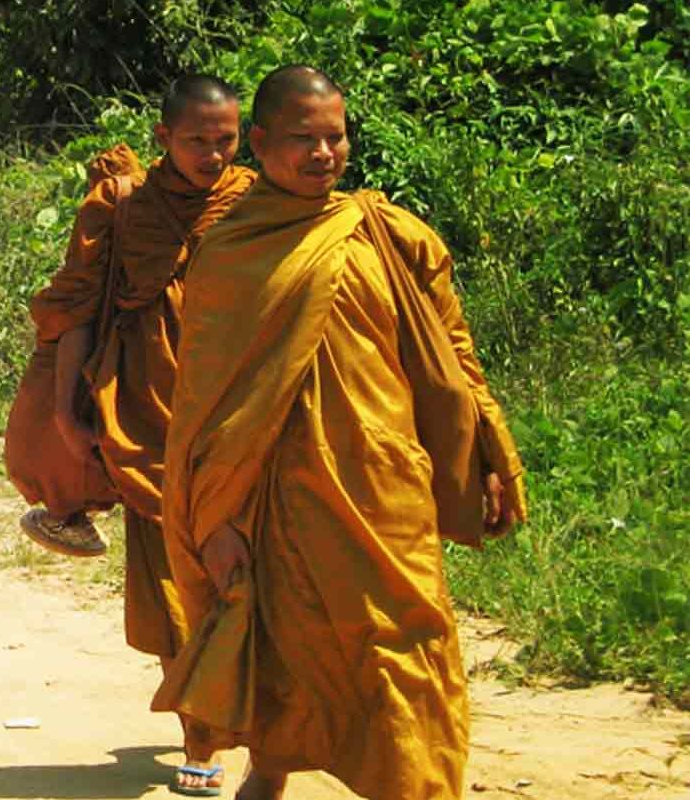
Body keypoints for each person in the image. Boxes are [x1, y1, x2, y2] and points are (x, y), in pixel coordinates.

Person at [152, 65, 527, 800]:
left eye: (336, 137)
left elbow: (454, 355)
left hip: (385, 496)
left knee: (407, 652)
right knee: (288, 654)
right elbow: (202, 413)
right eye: (303, 139)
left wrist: (490, 450)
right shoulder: (229, 255)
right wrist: (214, 518)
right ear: (258, 143)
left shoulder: (386, 235)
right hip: (277, 506)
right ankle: (271, 772)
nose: (325, 153)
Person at [2, 75, 257, 797]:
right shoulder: (123, 207)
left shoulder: (256, 206)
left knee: (246, 574)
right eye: (196, 141)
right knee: (176, 584)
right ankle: (200, 736)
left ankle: (251, 720)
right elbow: (78, 305)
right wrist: (65, 407)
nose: (211, 155)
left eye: (225, 141)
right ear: (163, 140)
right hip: (146, 418)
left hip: (236, 416)